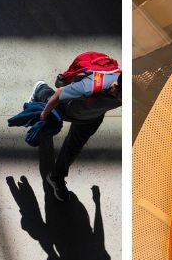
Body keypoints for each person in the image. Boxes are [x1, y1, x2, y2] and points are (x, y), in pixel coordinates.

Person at [35, 57, 122, 201]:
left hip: (91, 118)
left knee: (73, 148)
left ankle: (56, 177)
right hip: (68, 109)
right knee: (47, 100)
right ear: (114, 86)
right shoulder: (93, 85)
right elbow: (59, 94)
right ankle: (40, 89)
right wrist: (44, 114)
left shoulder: (128, 91)